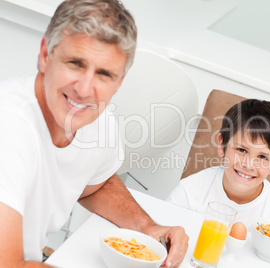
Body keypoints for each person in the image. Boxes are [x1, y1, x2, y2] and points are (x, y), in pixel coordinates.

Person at [0, 0, 188, 267]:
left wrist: (146, 227)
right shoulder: (9, 123)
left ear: (119, 82)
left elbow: (94, 184)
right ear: (45, 55)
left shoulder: (98, 122)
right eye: (75, 63)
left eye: (104, 74)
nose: (85, 89)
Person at [166, 99, 270, 230]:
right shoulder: (190, 191)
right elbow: (164, 233)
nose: (248, 165)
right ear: (222, 145)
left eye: (262, 157)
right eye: (241, 150)